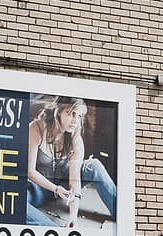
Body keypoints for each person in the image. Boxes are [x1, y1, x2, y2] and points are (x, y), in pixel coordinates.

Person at [25, 95, 118, 226]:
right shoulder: (37, 128)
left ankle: (122, 212)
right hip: (38, 188)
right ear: (58, 111)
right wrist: (56, 189)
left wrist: (73, 216)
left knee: (94, 166)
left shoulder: (75, 139)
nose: (75, 121)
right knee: (16, 202)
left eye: (79, 116)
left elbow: (75, 181)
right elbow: (30, 172)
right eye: (70, 113)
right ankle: (53, 232)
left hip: (64, 184)